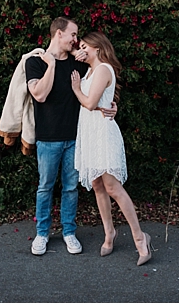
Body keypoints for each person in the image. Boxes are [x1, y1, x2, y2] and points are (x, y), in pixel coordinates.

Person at [25, 16, 116, 256]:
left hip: (76, 138)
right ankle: (42, 234)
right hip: (47, 138)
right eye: (74, 35)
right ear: (59, 34)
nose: (77, 40)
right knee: (45, 187)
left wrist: (111, 104)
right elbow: (40, 95)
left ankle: (68, 233)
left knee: (70, 189)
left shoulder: (79, 65)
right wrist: (52, 65)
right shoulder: (35, 63)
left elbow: (95, 91)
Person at [70, 31, 152, 265]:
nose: (81, 49)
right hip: (89, 131)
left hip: (103, 132)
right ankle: (109, 233)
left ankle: (140, 238)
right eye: (80, 45)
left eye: (85, 45)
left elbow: (90, 102)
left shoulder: (103, 68)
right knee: (97, 184)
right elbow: (69, 50)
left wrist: (76, 88)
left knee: (112, 186)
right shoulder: (90, 70)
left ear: (97, 48)